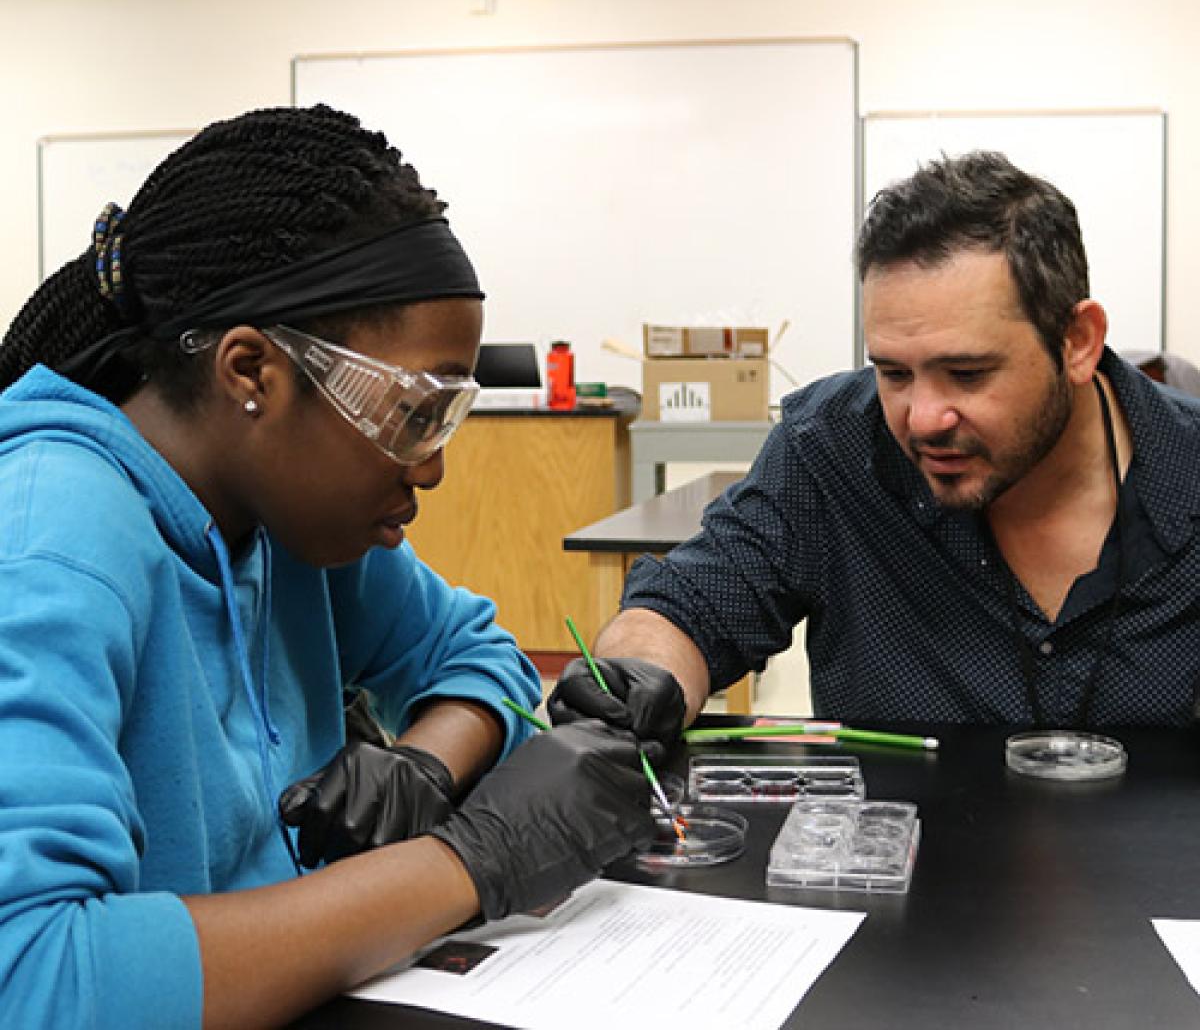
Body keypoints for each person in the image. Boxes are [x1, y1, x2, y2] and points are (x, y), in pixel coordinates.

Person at [0, 104, 654, 1028]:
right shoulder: (52, 541)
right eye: (411, 414)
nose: (429, 466)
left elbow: (482, 658)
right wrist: (469, 863)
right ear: (251, 374)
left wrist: (424, 767)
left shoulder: (285, 524)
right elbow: (33, 980)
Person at [549, 150, 1200, 743]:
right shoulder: (830, 448)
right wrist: (635, 676)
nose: (922, 418)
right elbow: (692, 609)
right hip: (900, 865)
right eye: (893, 372)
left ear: (1077, 342)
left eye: (968, 374)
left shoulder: (1187, 470)